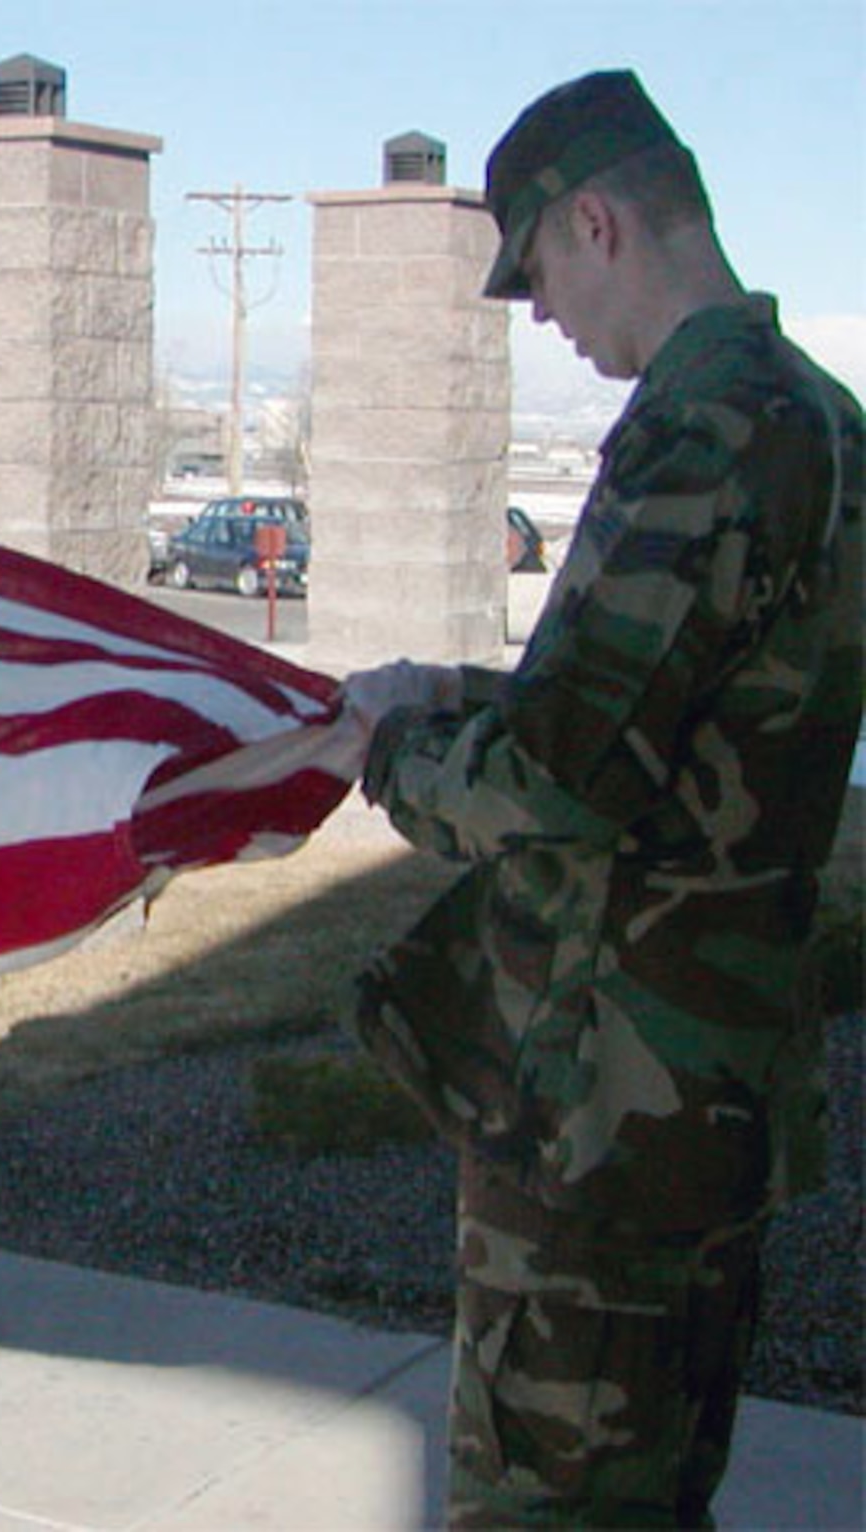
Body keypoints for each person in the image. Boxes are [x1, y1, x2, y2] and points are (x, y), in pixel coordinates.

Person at [340, 72, 862, 1528]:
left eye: (545, 279)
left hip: (599, 1106)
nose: (552, 324)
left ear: (597, 220)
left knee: (547, 1503)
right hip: (707, 1089)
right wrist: (454, 686)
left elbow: (563, 782)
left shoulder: (701, 432)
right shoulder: (821, 419)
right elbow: (686, 720)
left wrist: (387, 753)